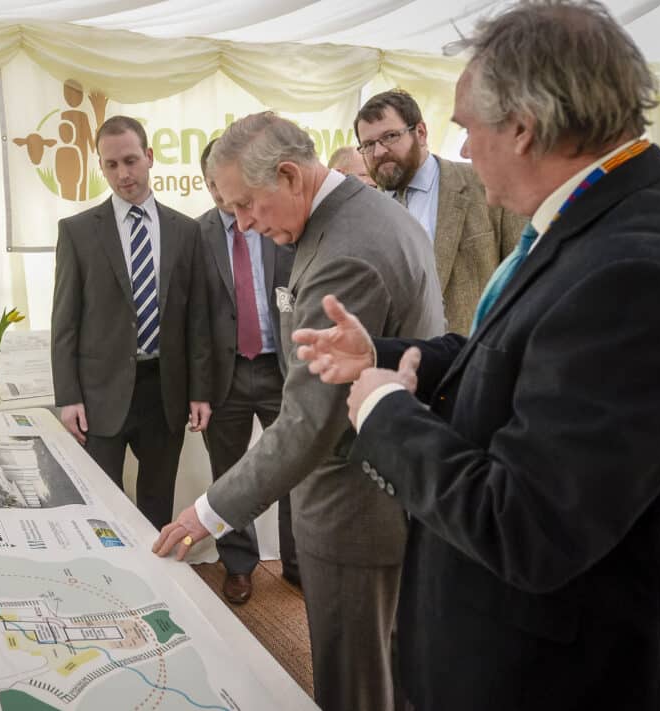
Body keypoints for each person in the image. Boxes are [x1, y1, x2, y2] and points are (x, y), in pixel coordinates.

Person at [292, 2, 660, 710]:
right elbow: (520, 358)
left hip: (552, 677)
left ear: (524, 125)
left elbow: (528, 524)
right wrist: (388, 352)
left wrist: (386, 410)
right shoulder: (608, 218)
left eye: (465, 125)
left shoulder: (638, 269)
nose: (462, 147)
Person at [154, 112, 445, 711]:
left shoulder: (346, 251)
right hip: (384, 488)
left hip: (354, 504)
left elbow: (310, 421)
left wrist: (207, 513)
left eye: (246, 205)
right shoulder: (355, 214)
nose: (244, 224)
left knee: (353, 684)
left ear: (289, 176)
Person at [51, 115, 212, 530]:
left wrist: (199, 390)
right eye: (111, 165)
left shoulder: (186, 231)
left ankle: (158, 585)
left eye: (130, 160)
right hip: (100, 392)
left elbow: (196, 319)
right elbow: (64, 321)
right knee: (102, 504)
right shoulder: (78, 232)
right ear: (101, 168)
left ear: (150, 157)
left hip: (165, 392)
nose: (123, 174)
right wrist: (68, 397)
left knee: (157, 504)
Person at [196, 138, 298, 603]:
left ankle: (299, 563)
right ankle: (238, 564)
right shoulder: (195, 235)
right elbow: (190, 318)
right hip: (227, 375)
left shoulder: (277, 221)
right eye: (214, 184)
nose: (224, 195)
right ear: (206, 183)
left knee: (295, 468)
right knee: (229, 474)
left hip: (282, 370)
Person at [356, 89, 525, 335]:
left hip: (473, 359)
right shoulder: (366, 213)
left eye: (390, 136)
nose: (379, 152)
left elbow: (523, 276)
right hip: (398, 365)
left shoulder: (485, 183)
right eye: (368, 144)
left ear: (421, 133)